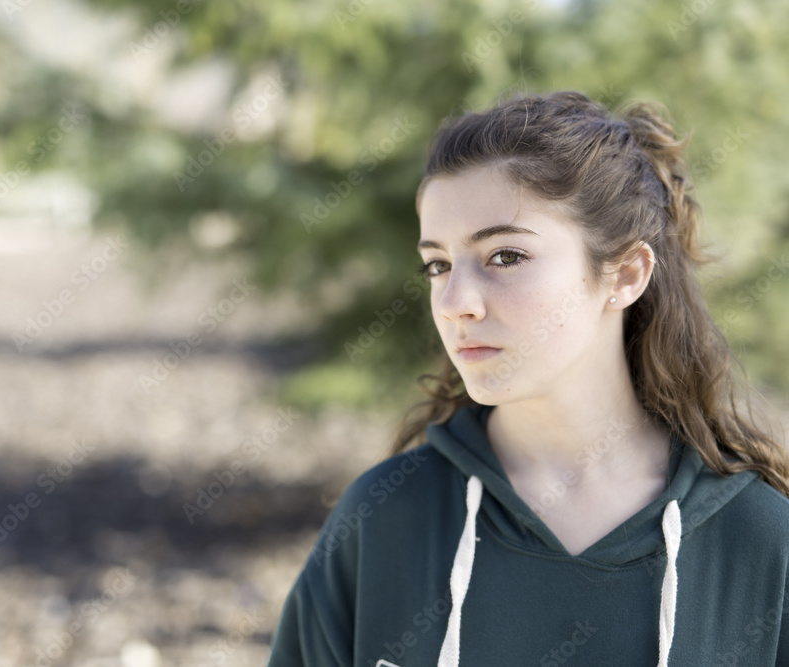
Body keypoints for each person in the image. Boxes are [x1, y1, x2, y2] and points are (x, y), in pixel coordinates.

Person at [265, 90, 789, 666]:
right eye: (438, 265)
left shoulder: (761, 543)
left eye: (505, 257)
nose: (455, 302)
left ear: (626, 274)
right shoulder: (384, 522)